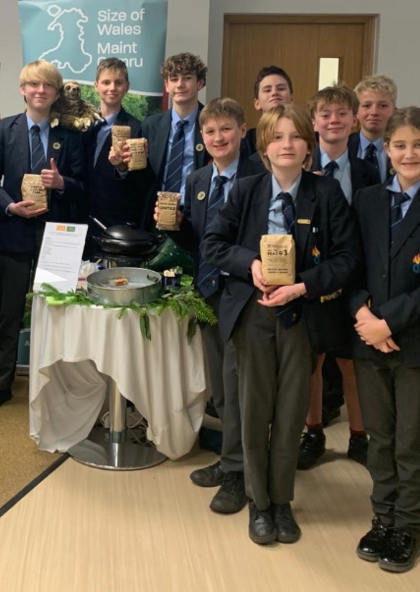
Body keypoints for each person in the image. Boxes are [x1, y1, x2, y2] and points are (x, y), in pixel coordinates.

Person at [202, 105, 360, 546]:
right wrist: (249, 263)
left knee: (291, 412)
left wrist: (303, 286)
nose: (286, 145)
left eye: (295, 137)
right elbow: (214, 242)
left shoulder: (326, 194)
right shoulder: (246, 190)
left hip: (301, 314)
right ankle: (258, 502)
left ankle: (282, 501)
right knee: (253, 410)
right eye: (277, 137)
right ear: (264, 147)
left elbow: (348, 260)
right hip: (252, 313)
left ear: (308, 146)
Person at [349, 107, 420, 573]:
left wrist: (387, 322)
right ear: (387, 149)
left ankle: (408, 526)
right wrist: (361, 312)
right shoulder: (368, 200)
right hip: (367, 339)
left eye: (419, 144)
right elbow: (351, 263)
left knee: (413, 441)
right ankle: (383, 517)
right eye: (400, 145)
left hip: (419, 345)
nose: (409, 153)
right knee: (380, 437)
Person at [168, 98, 262, 516]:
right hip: (209, 293)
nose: (218, 138)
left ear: (243, 130)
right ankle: (230, 460)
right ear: (201, 139)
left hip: (247, 296)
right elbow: (199, 242)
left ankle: (243, 474)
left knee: (243, 388)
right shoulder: (198, 178)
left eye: (226, 129)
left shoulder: (261, 177)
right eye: (210, 132)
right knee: (221, 389)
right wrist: (171, 227)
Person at [0, 60, 85, 415]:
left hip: (58, 240)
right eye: (33, 85)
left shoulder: (68, 135)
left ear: (56, 93)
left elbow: (84, 186)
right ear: (23, 90)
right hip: (14, 235)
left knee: (58, 314)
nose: (40, 91)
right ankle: (1, 385)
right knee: (7, 315)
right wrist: (11, 207)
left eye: (48, 86)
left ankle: (58, 386)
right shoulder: (4, 131)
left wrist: (63, 184)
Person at [298, 85, 379, 470]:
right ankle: (312, 431)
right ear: (313, 122)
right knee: (313, 359)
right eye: (325, 114)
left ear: (354, 119)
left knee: (352, 360)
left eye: (341, 114)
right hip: (312, 278)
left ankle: (360, 437)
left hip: (356, 278)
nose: (333, 121)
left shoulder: (370, 170)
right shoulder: (299, 169)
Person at [132, 52, 212, 226]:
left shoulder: (212, 124)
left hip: (196, 217)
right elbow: (139, 179)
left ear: (200, 82)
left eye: (187, 78)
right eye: (174, 79)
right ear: (167, 86)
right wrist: (122, 167)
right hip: (156, 216)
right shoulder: (149, 126)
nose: (180, 85)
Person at [88, 57, 143, 232]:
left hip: (114, 220)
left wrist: (122, 169)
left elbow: (140, 183)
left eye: (118, 82)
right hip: (79, 217)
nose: (112, 88)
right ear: (96, 86)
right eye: (106, 82)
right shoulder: (81, 124)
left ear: (127, 86)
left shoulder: (136, 129)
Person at [351, 75, 397, 183]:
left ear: (394, 111)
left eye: (383, 106)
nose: (374, 112)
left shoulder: (401, 149)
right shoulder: (343, 147)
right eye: (367, 105)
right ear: (356, 111)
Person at [241, 65, 293, 160]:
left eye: (281, 89)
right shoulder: (246, 141)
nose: (274, 93)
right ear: (257, 103)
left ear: (291, 99)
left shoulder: (305, 135)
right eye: (267, 90)